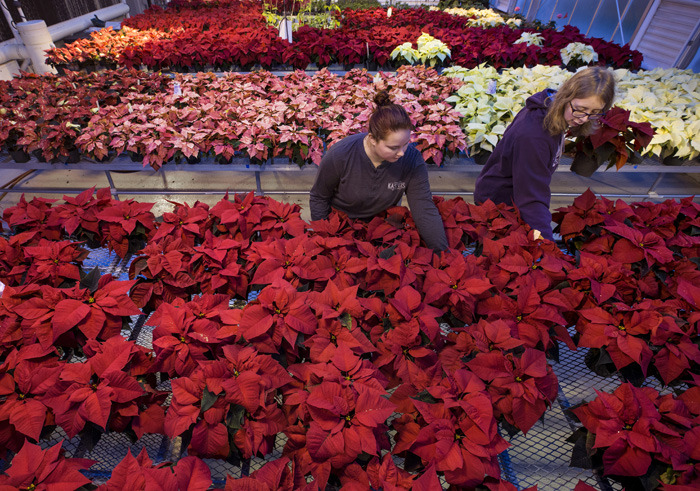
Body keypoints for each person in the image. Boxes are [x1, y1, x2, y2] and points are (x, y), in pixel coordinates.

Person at [473, 66, 616, 240]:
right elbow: (531, 198)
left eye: (594, 113)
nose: (584, 118)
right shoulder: (535, 136)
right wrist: (546, 243)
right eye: (580, 109)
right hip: (500, 204)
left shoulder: (550, 108)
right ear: (567, 96)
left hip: (512, 195)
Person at [309, 90, 448, 252]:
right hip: (342, 226)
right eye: (393, 147)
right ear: (373, 139)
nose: (402, 152)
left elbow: (423, 208)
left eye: (405, 144)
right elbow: (319, 197)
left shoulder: (412, 159)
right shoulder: (341, 155)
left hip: (383, 228)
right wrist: (327, 242)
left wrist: (442, 255)